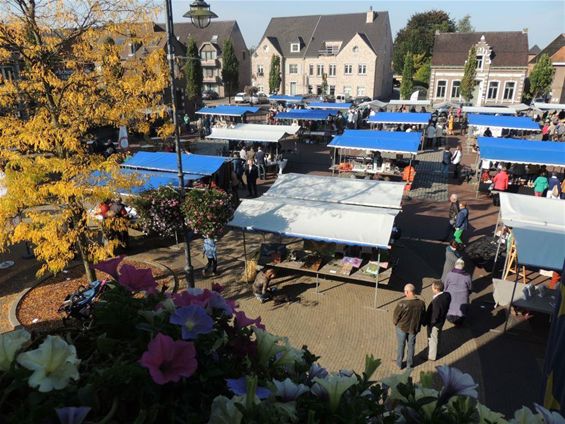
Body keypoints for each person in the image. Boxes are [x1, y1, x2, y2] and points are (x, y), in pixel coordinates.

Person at [393, 283, 426, 369]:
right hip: (414, 328)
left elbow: (396, 316)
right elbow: (423, 316)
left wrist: (395, 323)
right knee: (411, 346)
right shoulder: (421, 303)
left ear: (407, 292)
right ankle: (409, 364)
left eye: (405, 291)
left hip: (402, 327)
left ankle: (399, 363)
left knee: (401, 345)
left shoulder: (402, 303)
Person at [424, 280, 451, 361]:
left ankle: (431, 356)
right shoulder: (447, 295)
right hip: (441, 321)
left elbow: (435, 316)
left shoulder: (437, 301)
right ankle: (438, 352)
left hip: (435, 324)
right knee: (438, 337)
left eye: (432, 287)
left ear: (436, 289)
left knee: (433, 339)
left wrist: (431, 324)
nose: (431, 289)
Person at [444, 258, 472, 325]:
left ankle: (451, 318)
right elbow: (470, 287)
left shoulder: (449, 274)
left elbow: (445, 285)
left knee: (450, 306)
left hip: (451, 295)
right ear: (463, 266)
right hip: (463, 297)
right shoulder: (467, 276)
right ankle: (459, 322)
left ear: (455, 265)